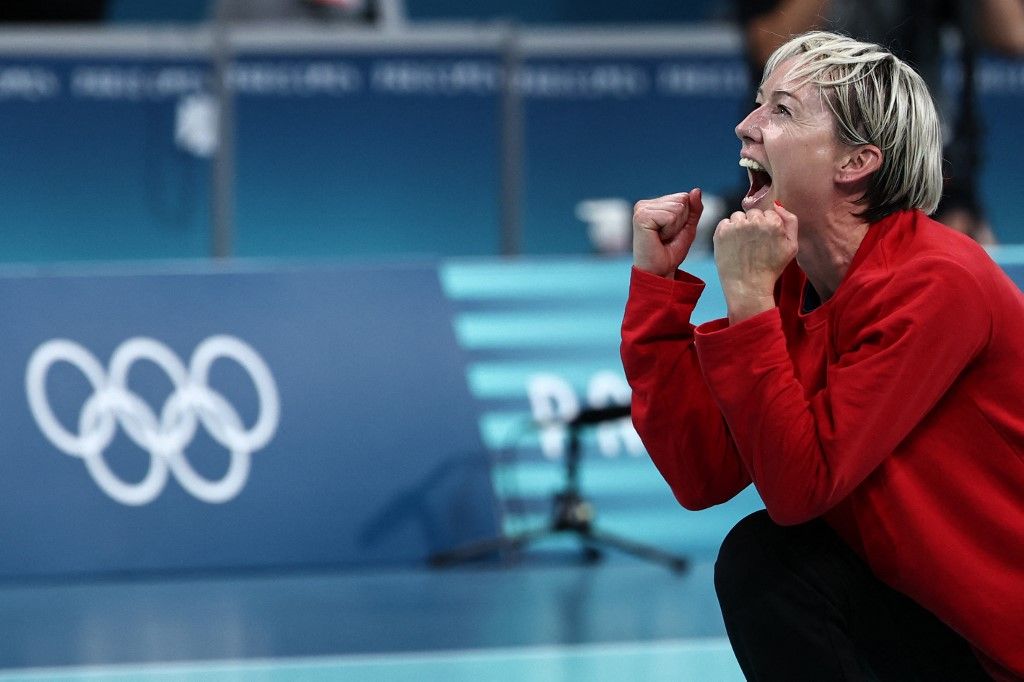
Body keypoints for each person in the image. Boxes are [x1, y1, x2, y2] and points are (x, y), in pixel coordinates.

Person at [621, 31, 1023, 680]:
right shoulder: (791, 280)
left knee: (773, 551)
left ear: (854, 163)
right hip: (942, 623)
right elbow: (703, 473)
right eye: (758, 104)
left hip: (1004, 645)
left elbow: (800, 488)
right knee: (768, 563)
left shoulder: (936, 280)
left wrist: (748, 302)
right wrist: (656, 290)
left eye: (780, 110)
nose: (744, 126)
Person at [733, 0, 1024, 245]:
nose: (744, 128)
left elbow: (1013, 35)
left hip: (930, 169)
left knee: (959, 253)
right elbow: (770, 45)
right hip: (807, 172)